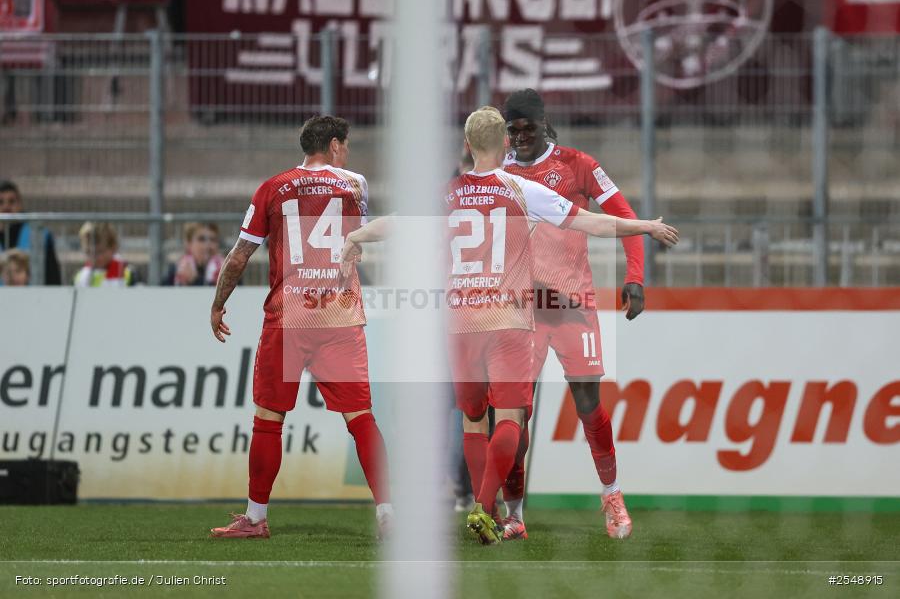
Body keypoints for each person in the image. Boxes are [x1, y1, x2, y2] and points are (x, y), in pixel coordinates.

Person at [341, 106, 676, 544]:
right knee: (513, 417)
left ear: (465, 145)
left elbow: (400, 224)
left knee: (474, 421)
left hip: (461, 322)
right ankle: (485, 508)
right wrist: (647, 226)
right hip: (510, 316)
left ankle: (498, 513)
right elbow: (590, 222)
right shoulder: (518, 188)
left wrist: (355, 236)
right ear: (503, 145)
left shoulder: (448, 193)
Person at [209, 115, 393, 540]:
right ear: (333, 145)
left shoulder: (272, 188)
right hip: (340, 314)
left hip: (289, 317)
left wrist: (219, 303)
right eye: (344, 145)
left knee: (269, 418)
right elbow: (355, 238)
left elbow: (239, 256)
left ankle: (255, 517)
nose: (346, 153)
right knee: (361, 417)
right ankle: (389, 514)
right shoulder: (355, 184)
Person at [499, 88, 648, 540]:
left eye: (528, 128)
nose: (521, 137)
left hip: (573, 306)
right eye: (514, 130)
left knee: (588, 403)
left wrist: (635, 276)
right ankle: (514, 513)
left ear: (544, 123)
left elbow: (623, 216)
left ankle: (613, 496)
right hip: (521, 308)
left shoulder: (578, 164)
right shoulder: (497, 172)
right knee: (513, 412)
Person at [0, 179, 62, 285]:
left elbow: (53, 277)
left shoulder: (39, 235)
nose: (6, 207)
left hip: (32, 298)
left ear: (20, 203)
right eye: (0, 202)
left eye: (12, 201)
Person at [73, 222, 136, 287]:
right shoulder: (80, 275)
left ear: (113, 248)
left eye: (99, 252)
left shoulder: (128, 273)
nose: (94, 257)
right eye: (88, 252)